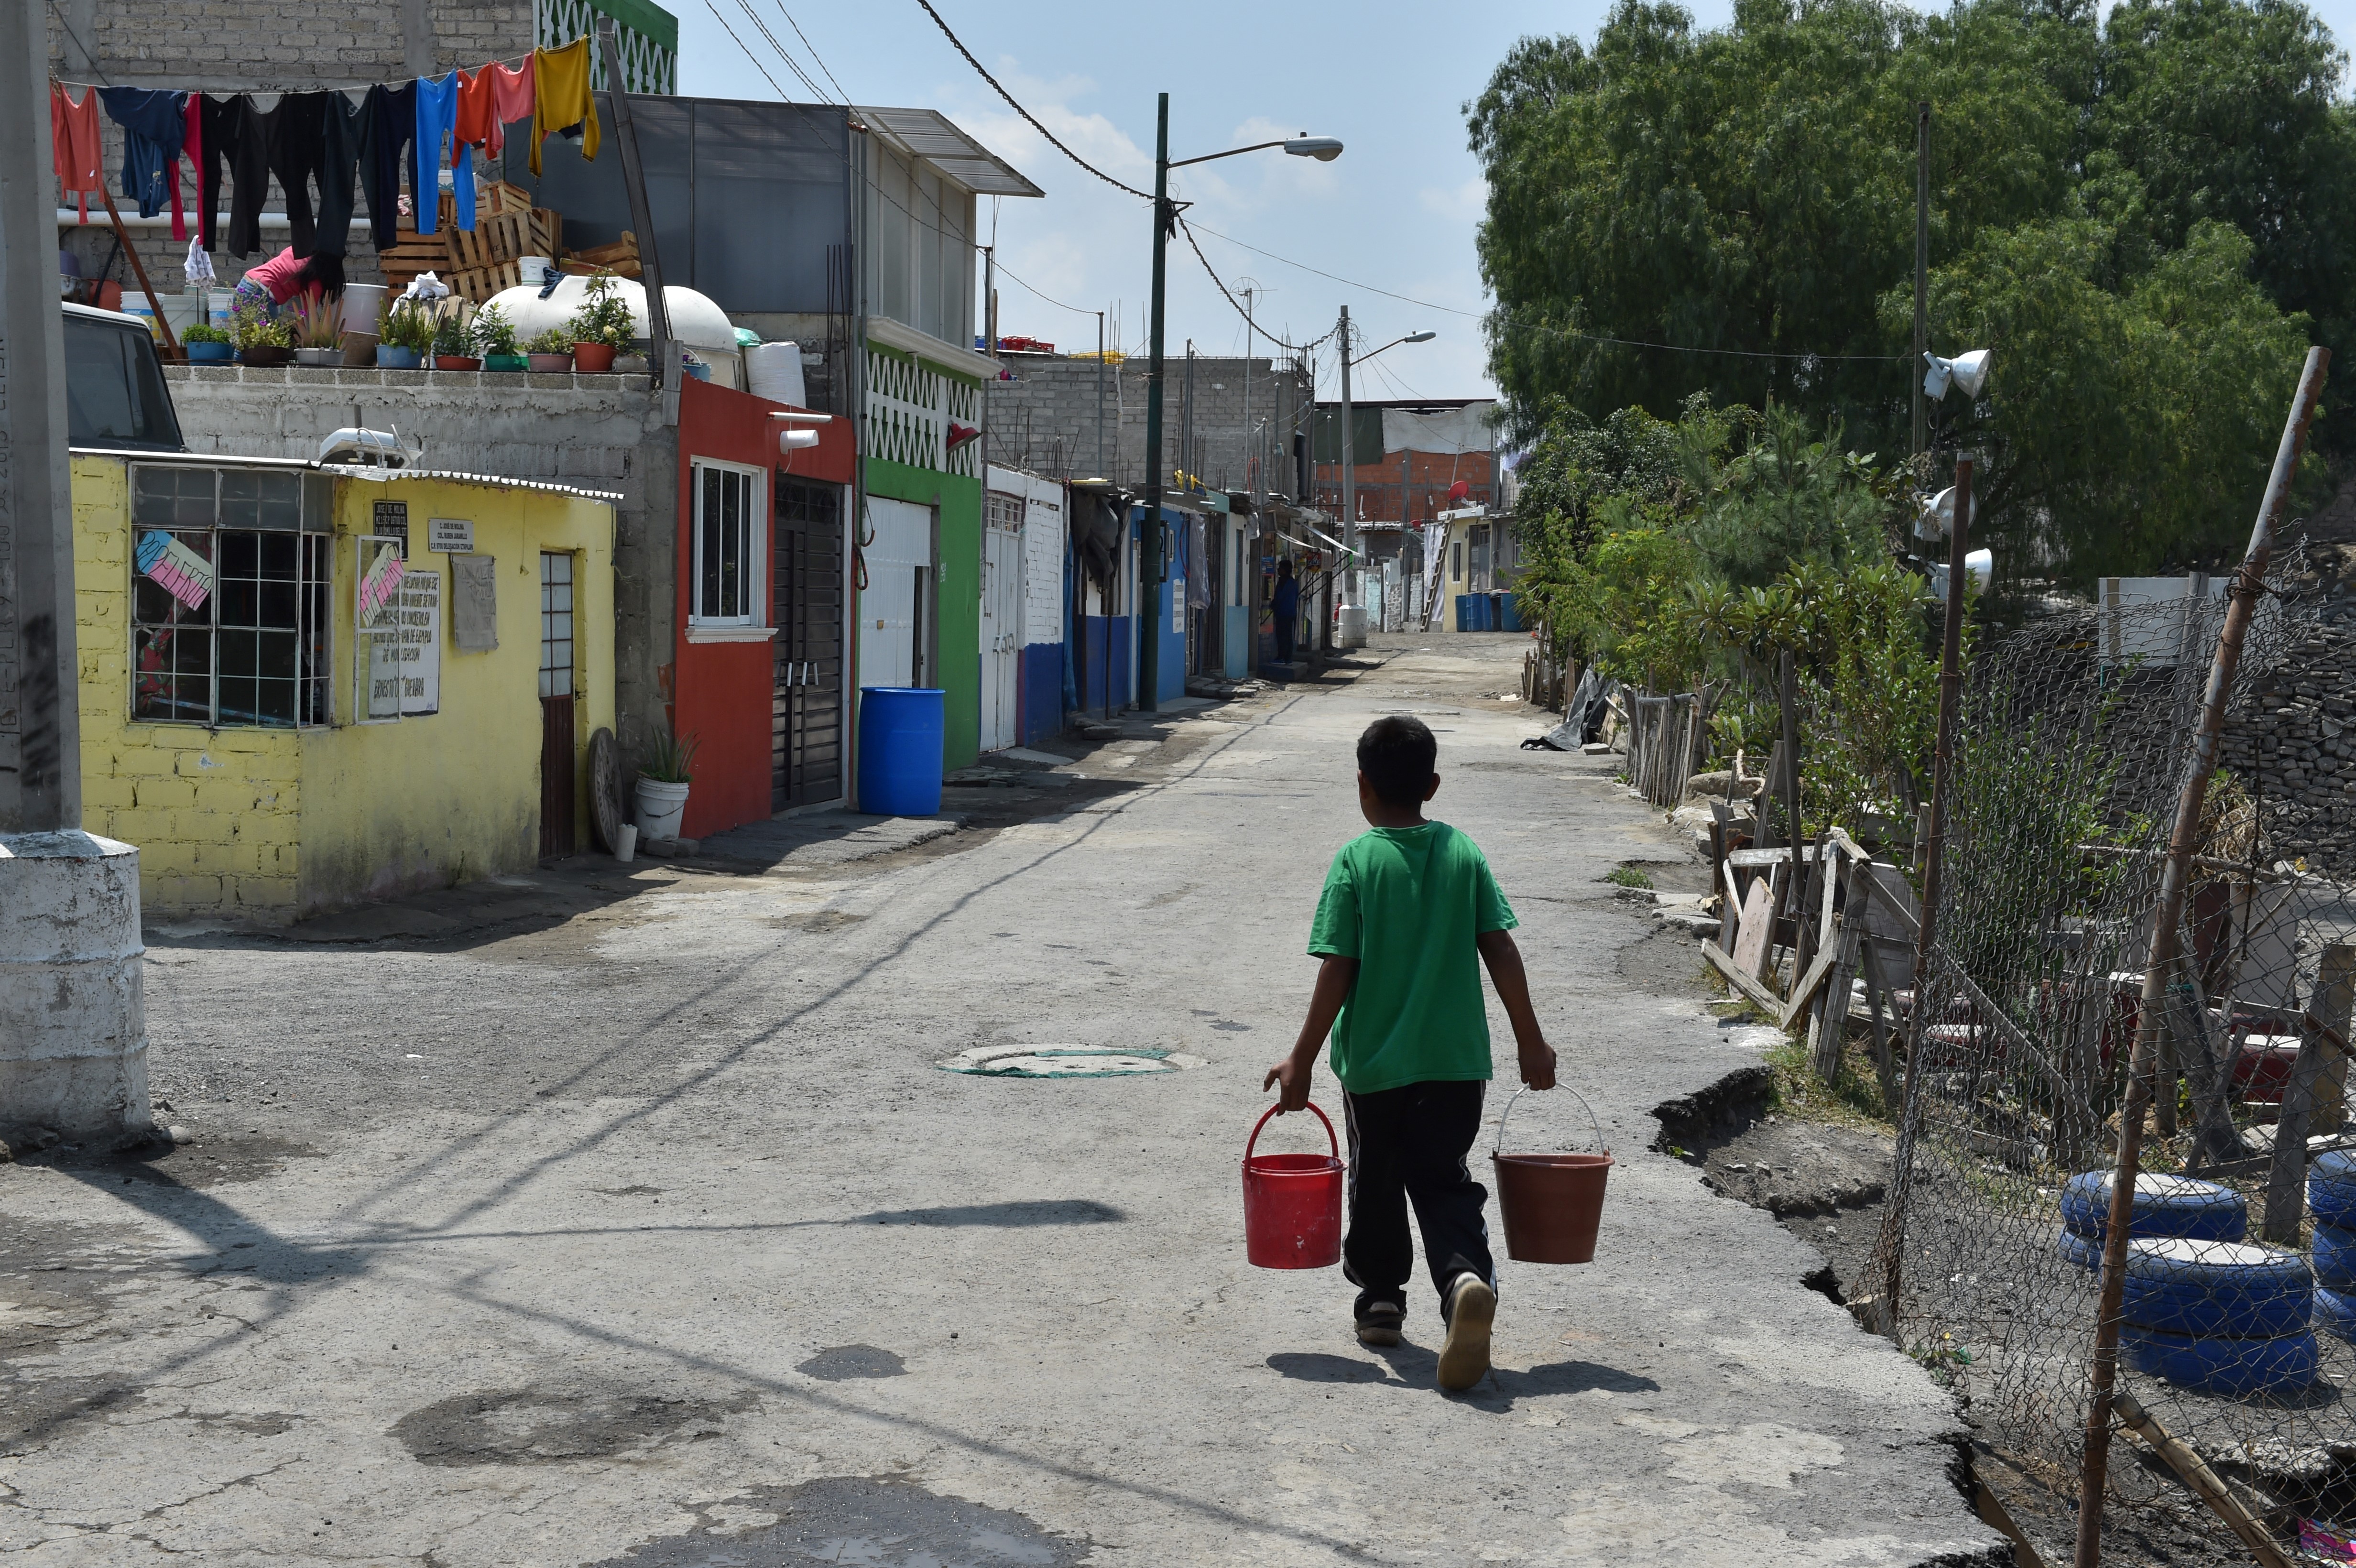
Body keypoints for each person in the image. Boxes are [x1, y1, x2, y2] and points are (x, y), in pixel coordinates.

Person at [1263, 714, 1557, 1392]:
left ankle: (1382, 1301)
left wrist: (1301, 1058)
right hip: (1456, 1065)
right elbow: (1500, 948)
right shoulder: (1463, 854)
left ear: (1362, 786)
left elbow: (1339, 965)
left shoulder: (1356, 862)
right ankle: (1462, 1283)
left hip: (1374, 1067)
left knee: (1377, 1180)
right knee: (1443, 1177)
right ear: (1432, 784)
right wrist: (1530, 1040)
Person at [232, 246, 344, 320]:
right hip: (261, 294)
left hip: (245, 284)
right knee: (263, 348)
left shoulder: (299, 250)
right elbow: (309, 316)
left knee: (245, 343)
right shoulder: (316, 282)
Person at [1273, 557, 1299, 664]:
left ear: (1285, 570)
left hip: (1283, 613)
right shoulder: (1293, 583)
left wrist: (1274, 604)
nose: (1279, 570)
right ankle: (1288, 658)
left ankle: (1282, 657)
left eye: (1280, 568)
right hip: (1291, 612)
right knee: (1288, 636)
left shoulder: (1283, 582)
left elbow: (1279, 597)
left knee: (1282, 636)